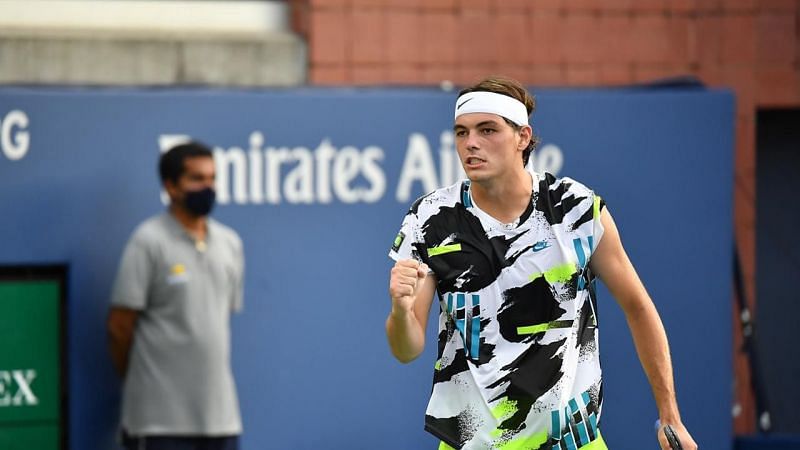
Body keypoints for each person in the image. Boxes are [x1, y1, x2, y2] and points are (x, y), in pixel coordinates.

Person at [386, 77, 698, 450]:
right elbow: (406, 349)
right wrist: (401, 311)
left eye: (488, 130)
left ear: (523, 136)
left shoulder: (577, 211)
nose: (471, 143)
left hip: (571, 441)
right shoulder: (430, 219)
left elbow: (638, 307)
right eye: (461, 132)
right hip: (471, 443)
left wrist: (669, 413)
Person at [107, 141, 244, 450]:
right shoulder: (147, 241)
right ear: (171, 186)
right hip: (157, 422)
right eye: (196, 179)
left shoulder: (230, 243)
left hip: (220, 420)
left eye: (212, 178)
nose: (207, 187)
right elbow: (119, 326)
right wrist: (145, 382)